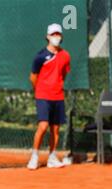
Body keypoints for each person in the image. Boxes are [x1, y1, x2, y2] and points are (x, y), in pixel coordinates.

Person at [27, 23, 71, 170]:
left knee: (56, 129)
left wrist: (57, 86)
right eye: (53, 34)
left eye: (58, 34)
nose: (56, 37)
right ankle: (34, 156)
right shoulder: (40, 57)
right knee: (43, 125)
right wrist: (39, 90)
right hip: (43, 95)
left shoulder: (65, 56)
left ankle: (52, 157)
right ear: (47, 37)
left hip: (58, 96)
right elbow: (33, 77)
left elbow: (63, 74)